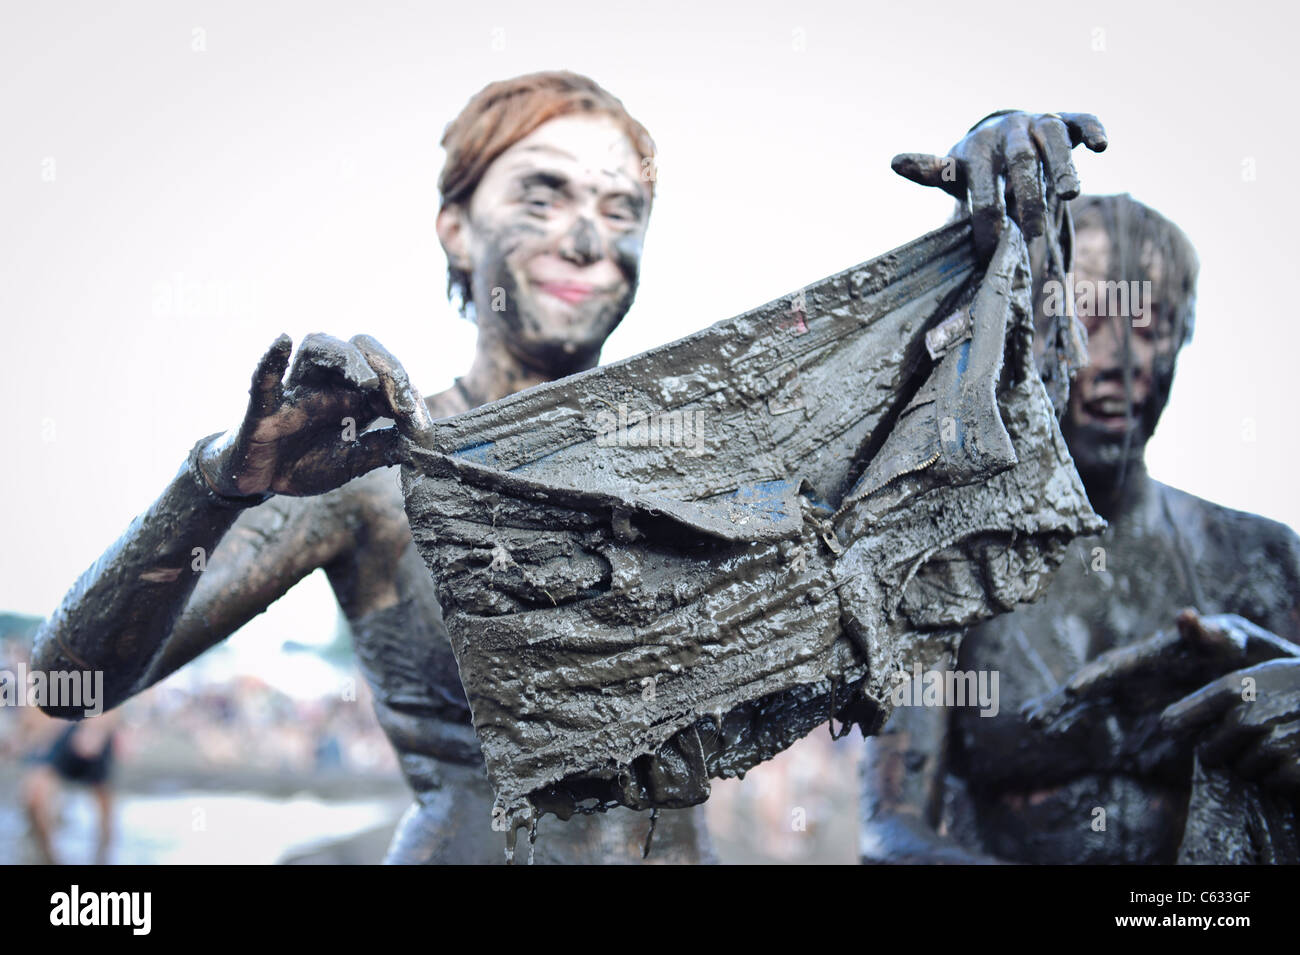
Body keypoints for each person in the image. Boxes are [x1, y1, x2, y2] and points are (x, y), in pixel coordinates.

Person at [31, 71, 1106, 863]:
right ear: (456, 229)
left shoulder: (702, 447)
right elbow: (69, 681)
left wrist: (996, 201)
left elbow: (936, 438)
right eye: (541, 196)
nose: (589, 238)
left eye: (621, 207)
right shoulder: (371, 474)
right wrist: (224, 477)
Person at [858, 194, 1300, 865]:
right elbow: (890, 835)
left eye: (1150, 328)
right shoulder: (946, 561)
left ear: (1181, 342)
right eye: (1087, 319)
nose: (1120, 358)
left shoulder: (1262, 560)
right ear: (1027, 334)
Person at [21, 712, 121, 865]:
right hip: (52, 732)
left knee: (103, 804)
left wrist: (97, 730)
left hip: (87, 724)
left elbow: (112, 691)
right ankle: (49, 858)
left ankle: (103, 856)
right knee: (34, 798)